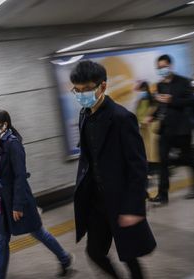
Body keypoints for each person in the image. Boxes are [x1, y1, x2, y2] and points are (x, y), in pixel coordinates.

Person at [70, 61, 156, 279]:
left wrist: (134, 207)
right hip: (97, 201)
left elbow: (138, 166)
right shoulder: (84, 114)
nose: (81, 95)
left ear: (103, 86)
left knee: (128, 254)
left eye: (87, 89)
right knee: (95, 252)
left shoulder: (121, 118)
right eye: (77, 90)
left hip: (120, 199)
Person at [0, 109, 73, 279]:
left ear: (5, 124)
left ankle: (64, 258)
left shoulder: (13, 144)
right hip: (2, 199)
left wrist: (17, 205)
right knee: (2, 241)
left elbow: (20, 176)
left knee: (38, 232)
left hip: (18, 199)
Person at [147, 55, 194, 204]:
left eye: (164, 67)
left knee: (189, 159)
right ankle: (163, 195)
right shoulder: (159, 86)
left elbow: (191, 101)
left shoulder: (184, 82)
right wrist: (153, 116)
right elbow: (161, 106)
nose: (162, 70)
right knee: (162, 162)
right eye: (159, 68)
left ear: (170, 66)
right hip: (165, 129)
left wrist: (172, 100)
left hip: (181, 129)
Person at [135, 81, 160, 167]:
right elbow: (138, 113)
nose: (140, 92)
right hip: (143, 126)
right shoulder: (140, 100)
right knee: (146, 147)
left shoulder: (152, 99)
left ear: (145, 88)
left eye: (141, 90)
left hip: (151, 126)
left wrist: (150, 117)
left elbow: (155, 111)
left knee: (153, 147)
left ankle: (156, 165)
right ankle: (150, 164)